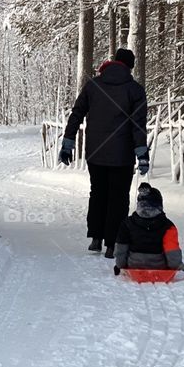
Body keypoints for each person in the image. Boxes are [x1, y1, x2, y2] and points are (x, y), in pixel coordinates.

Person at [59, 48, 149, 259]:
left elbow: (77, 113)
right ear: (130, 67)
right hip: (122, 156)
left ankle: (96, 238)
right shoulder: (135, 90)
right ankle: (112, 244)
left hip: (96, 153)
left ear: (113, 63)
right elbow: (138, 124)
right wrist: (141, 154)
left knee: (98, 193)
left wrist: (68, 143)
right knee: (118, 197)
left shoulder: (93, 85)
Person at [112, 182, 184, 274]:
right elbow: (171, 249)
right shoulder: (168, 226)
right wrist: (176, 265)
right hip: (158, 266)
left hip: (134, 265)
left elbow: (121, 247)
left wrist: (120, 265)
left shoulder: (127, 223)